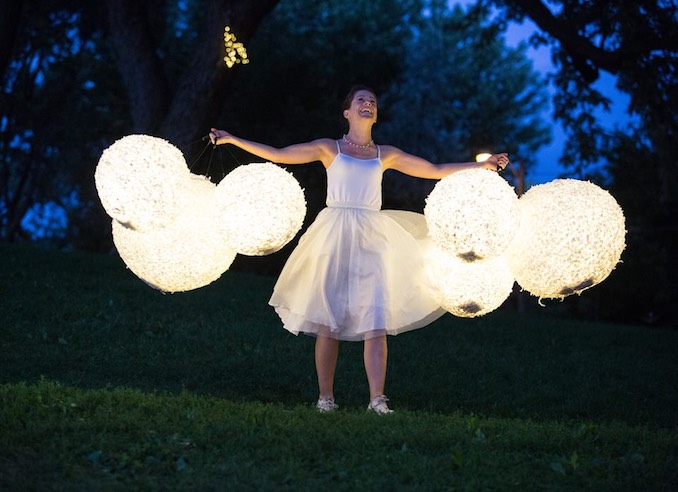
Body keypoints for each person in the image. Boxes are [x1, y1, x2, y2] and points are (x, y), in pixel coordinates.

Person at [210, 85, 508, 414]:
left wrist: (483, 165)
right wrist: (232, 139)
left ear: (375, 114)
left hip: (372, 235)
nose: (368, 104)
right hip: (335, 233)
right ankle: (325, 398)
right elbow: (281, 154)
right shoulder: (330, 149)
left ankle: (377, 399)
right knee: (328, 319)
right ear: (347, 112)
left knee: (375, 319)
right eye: (361, 100)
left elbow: (434, 170)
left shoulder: (386, 154)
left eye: (373, 102)